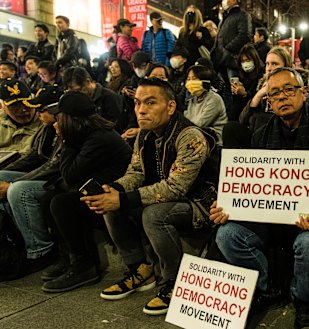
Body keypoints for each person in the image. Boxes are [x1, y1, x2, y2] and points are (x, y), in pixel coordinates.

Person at [211, 66, 309, 329]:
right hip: (270, 220)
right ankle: (266, 289)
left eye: (288, 90)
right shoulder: (260, 133)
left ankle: (304, 300)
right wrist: (227, 206)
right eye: (274, 93)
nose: (281, 97)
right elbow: (249, 187)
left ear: (304, 94)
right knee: (226, 235)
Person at [81, 77, 213, 316]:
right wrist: (114, 189)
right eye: (138, 102)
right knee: (111, 202)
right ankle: (140, 270)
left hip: (200, 204)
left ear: (170, 107)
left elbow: (176, 188)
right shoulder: (144, 135)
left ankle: (175, 282)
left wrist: (123, 198)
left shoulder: (190, 136)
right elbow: (136, 172)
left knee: (153, 215)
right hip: (168, 198)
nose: (141, 109)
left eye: (150, 103)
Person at [41, 91, 132, 293]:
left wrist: (65, 141)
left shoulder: (98, 138)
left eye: (59, 117)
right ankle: (68, 256)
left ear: (70, 120)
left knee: (61, 203)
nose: (56, 121)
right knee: (49, 197)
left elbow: (69, 174)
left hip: (117, 200)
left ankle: (83, 265)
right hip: (99, 190)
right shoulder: (89, 134)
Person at [0, 86, 62, 275]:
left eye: (41, 110)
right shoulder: (48, 127)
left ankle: (40, 250)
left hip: (61, 182)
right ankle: (19, 239)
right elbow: (36, 156)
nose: (37, 114)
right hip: (48, 175)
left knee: (19, 190)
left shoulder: (67, 127)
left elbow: (54, 166)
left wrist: (13, 184)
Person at [184, 64, 227, 145]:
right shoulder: (192, 99)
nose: (190, 82)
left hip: (214, 140)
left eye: (194, 78)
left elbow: (199, 124)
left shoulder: (215, 99)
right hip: (194, 137)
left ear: (204, 81)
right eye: (188, 79)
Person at [0, 79, 42, 156]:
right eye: (14, 106)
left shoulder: (46, 124)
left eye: (27, 103)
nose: (23, 109)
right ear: (3, 107)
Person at [213, 0, 252, 82]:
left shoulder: (242, 15)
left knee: (234, 88)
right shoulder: (224, 18)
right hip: (221, 61)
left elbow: (245, 35)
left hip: (232, 61)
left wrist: (227, 49)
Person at [230, 44, 264, 121]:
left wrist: (245, 94)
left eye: (248, 60)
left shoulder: (261, 76)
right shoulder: (241, 77)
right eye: (243, 61)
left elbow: (258, 99)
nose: (245, 63)